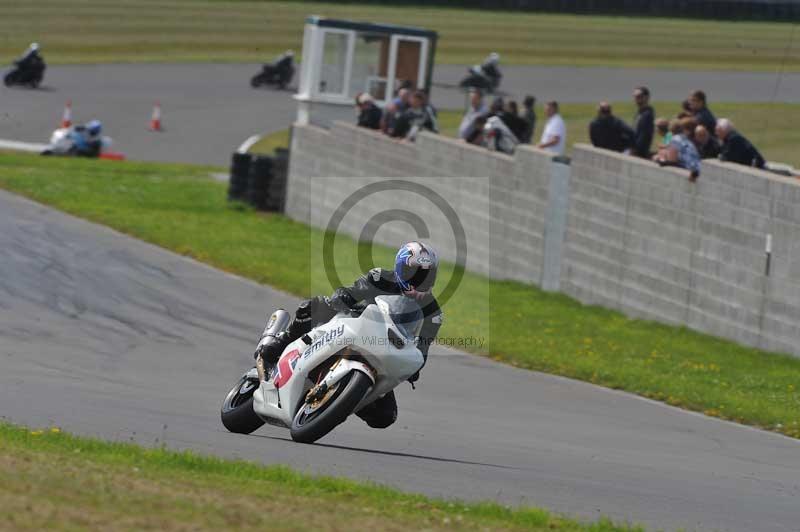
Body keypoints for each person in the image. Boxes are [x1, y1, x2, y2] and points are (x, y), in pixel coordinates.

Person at [254, 242, 443, 429]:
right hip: (353, 325)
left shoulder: (433, 313)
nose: (420, 280)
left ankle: (343, 400)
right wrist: (342, 297)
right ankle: (279, 343)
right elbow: (351, 292)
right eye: (415, 273)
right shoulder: (380, 278)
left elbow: (422, 349)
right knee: (314, 306)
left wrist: (414, 368)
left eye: (426, 276)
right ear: (400, 268)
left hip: (385, 350)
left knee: (385, 416)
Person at [631, 86, 655, 158]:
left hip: (639, 152)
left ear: (646, 97)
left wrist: (635, 150)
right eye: (635, 96)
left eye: (639, 96)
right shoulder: (639, 112)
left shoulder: (647, 115)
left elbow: (644, 135)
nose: (636, 99)